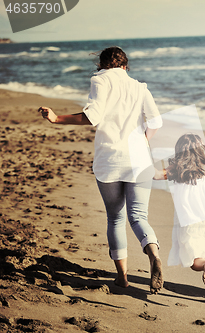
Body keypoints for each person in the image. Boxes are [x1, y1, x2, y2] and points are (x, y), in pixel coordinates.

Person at [38, 46, 164, 294]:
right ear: (125, 67)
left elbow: (93, 116)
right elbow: (156, 122)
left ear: (102, 65)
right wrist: (145, 141)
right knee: (139, 217)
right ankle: (153, 254)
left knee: (115, 217)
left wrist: (56, 119)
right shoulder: (140, 87)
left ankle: (123, 278)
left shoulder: (99, 80)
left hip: (110, 160)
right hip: (139, 160)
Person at [154, 133, 205, 303]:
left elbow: (155, 175)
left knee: (193, 260)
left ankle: (204, 264)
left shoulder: (176, 169)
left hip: (190, 221)